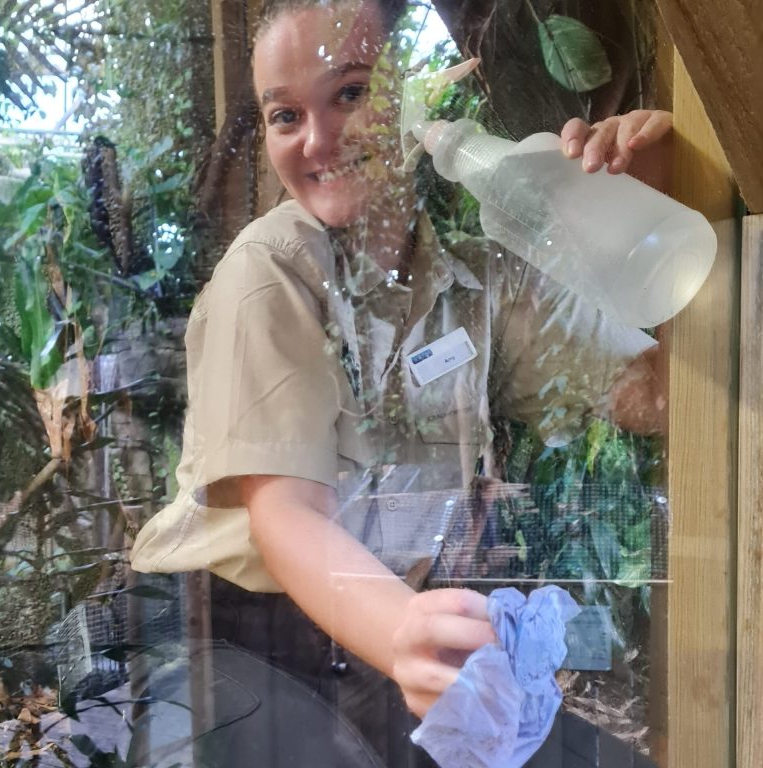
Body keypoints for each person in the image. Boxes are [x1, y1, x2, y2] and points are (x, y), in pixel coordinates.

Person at [130, 0, 670, 764]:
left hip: (381, 625)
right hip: (230, 640)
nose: (317, 139)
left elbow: (652, 396)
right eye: (285, 116)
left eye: (349, 93)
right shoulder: (269, 270)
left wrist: (654, 215)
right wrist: (403, 633)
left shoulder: (477, 280)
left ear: (412, 97)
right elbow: (285, 515)